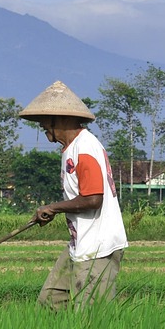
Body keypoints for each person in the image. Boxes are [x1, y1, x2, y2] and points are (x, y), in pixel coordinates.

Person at [19, 80, 128, 311]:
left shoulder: (85, 148)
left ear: (60, 119)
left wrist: (54, 207)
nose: (42, 127)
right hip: (80, 244)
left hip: (98, 248)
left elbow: (93, 199)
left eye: (44, 122)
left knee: (90, 319)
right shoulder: (71, 149)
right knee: (50, 303)